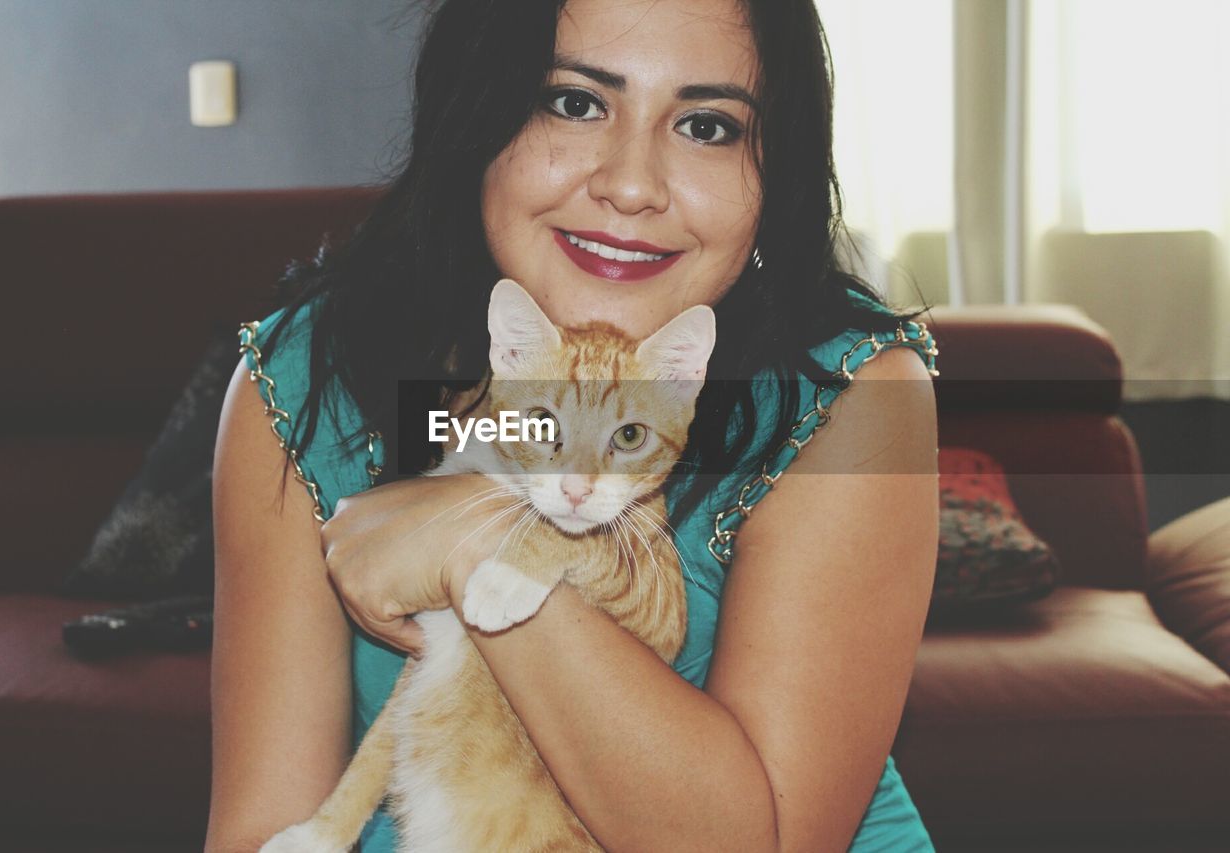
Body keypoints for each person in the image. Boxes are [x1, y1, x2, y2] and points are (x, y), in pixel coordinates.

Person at [205, 0, 941, 850]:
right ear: (475, 112)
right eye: (576, 102)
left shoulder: (852, 390)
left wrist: (474, 547)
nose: (631, 185)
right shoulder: (305, 381)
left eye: (706, 125)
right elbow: (262, 831)